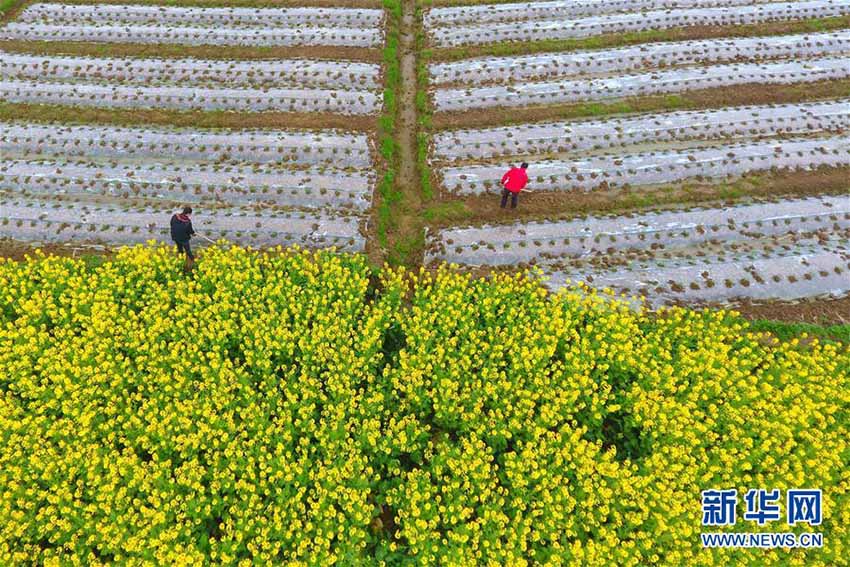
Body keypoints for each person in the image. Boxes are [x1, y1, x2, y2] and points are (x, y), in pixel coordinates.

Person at [170, 206, 196, 272]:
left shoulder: (175, 216)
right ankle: (193, 260)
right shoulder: (187, 221)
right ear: (188, 213)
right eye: (190, 214)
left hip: (175, 236)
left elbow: (171, 224)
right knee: (188, 250)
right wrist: (193, 233)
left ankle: (180, 259)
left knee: (180, 248)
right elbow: (190, 231)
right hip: (184, 238)